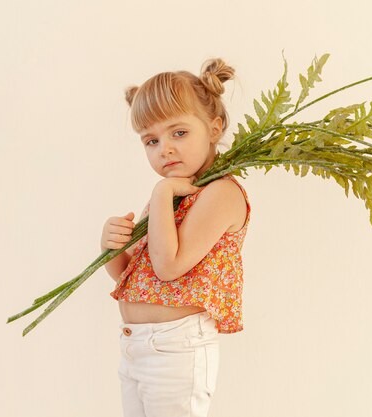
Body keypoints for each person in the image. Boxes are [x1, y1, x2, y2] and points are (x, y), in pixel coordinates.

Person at [99, 57, 251, 417]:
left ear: (214, 128)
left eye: (178, 133)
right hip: (136, 347)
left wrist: (161, 193)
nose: (164, 148)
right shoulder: (175, 193)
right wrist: (110, 248)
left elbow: (169, 267)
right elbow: (132, 275)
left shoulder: (219, 193)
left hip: (176, 349)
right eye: (151, 140)